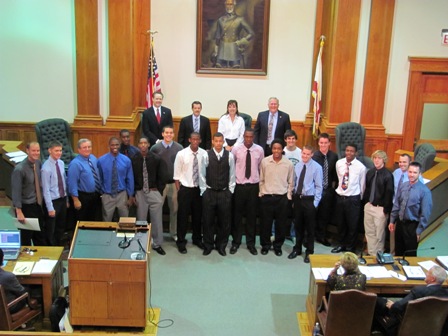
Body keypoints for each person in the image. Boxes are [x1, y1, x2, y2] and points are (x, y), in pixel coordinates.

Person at [375, 265, 448, 335]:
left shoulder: (418, 291)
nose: (426, 273)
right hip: (435, 328)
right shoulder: (446, 295)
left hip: (410, 326)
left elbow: (398, 307)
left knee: (377, 301)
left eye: (428, 272)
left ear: (432, 279)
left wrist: (392, 305)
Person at [199, 132, 236, 256]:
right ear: (213, 142)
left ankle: (221, 245)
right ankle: (208, 245)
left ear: (223, 141)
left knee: (224, 221)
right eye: (216, 141)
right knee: (208, 220)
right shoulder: (206, 155)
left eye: (221, 141)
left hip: (224, 193)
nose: (218, 143)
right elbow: (202, 174)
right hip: (209, 192)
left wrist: (230, 191)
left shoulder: (229, 156)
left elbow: (232, 175)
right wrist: (204, 191)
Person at [230, 128, 264, 255]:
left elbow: (261, 168)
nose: (249, 139)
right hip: (239, 186)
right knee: (237, 216)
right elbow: (232, 167)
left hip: (253, 187)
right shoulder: (236, 149)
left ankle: (251, 243)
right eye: (246, 137)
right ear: (243, 137)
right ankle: (236, 242)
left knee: (251, 216)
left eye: (251, 137)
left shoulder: (259, 150)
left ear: (253, 137)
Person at [388, 161, 432, 257]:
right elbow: (397, 204)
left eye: (415, 172)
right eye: (410, 172)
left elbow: (425, 214)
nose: (411, 175)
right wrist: (392, 220)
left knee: (409, 255)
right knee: (398, 252)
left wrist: (419, 231)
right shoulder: (403, 186)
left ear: (419, 174)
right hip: (400, 224)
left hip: (412, 227)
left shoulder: (424, 191)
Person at [259, 139, 294, 256]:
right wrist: (261, 192)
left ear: (282, 149)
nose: (276, 151)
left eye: (279, 148)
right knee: (265, 224)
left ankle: (278, 246)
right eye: (274, 148)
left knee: (280, 224)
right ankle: (265, 245)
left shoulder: (288, 164)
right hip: (267, 196)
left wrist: (288, 195)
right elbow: (261, 179)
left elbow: (291, 181)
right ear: (271, 149)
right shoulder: (265, 162)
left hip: (281, 198)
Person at [173, 132, 207, 254]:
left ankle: (197, 239)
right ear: (189, 140)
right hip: (185, 189)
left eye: (197, 139)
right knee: (183, 216)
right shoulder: (181, 154)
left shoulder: (204, 154)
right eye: (193, 139)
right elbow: (176, 176)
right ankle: (181, 241)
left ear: (200, 140)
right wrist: (179, 190)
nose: (195, 141)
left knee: (198, 216)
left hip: (199, 189)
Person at [288, 145, 323, 263]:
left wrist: (315, 203)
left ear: (312, 154)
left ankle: (309, 251)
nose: (305, 156)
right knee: (298, 225)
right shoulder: (298, 165)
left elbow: (319, 187)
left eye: (308, 154)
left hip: (309, 200)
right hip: (298, 199)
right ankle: (297, 248)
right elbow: (295, 182)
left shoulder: (317, 168)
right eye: (303, 153)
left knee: (310, 228)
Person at [132, 137, 166, 255]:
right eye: (140, 143)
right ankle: (141, 243)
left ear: (148, 145)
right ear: (138, 145)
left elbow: (162, 176)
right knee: (141, 219)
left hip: (153, 191)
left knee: (156, 220)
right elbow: (131, 177)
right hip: (140, 192)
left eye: (145, 143)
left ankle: (157, 244)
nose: (143, 145)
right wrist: (133, 194)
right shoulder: (133, 159)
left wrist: (159, 191)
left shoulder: (156, 158)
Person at [331, 144, 366, 254]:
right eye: (347, 150)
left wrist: (357, 199)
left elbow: (362, 186)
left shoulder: (361, 167)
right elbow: (339, 179)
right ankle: (341, 244)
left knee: (352, 225)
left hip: (353, 199)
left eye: (352, 151)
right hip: (340, 197)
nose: (349, 153)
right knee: (341, 224)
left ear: (356, 153)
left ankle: (350, 248)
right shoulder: (339, 163)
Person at [150, 126, 183, 241]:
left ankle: (173, 233)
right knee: (157, 210)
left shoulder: (179, 148)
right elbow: (151, 166)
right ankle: (156, 235)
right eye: (166, 133)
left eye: (171, 133)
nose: (168, 135)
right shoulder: (155, 148)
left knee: (174, 209)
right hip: (160, 185)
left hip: (174, 184)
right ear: (162, 134)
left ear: (173, 135)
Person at [11, 142, 46, 246]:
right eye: (33, 150)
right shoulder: (19, 169)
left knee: (40, 237)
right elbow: (16, 191)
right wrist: (19, 211)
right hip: (26, 207)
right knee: (26, 239)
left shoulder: (38, 163)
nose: (36, 153)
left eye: (38, 150)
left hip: (37, 206)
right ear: (27, 151)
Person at [390, 153, 423, 254]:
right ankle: (393, 253)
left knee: (409, 249)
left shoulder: (421, 186)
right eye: (400, 162)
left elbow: (424, 211)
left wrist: (419, 230)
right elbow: (395, 196)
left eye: (404, 162)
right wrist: (392, 218)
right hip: (398, 213)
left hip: (411, 220)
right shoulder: (396, 173)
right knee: (397, 242)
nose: (401, 164)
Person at [363, 150, 394, 256]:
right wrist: (366, 203)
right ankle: (371, 254)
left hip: (380, 209)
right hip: (369, 206)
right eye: (375, 158)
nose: (376, 160)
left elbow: (389, 194)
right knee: (369, 232)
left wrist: (385, 210)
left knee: (379, 235)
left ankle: (378, 255)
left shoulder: (388, 175)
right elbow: (367, 189)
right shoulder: (370, 172)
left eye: (379, 158)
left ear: (384, 160)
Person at [97, 137, 134, 222]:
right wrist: (102, 192)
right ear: (109, 146)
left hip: (122, 194)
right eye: (112, 145)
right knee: (106, 221)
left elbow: (130, 179)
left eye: (117, 144)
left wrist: (130, 195)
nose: (115, 147)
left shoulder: (126, 160)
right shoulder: (101, 160)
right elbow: (99, 177)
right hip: (107, 195)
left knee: (125, 220)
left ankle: (125, 235)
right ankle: (106, 236)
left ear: (119, 145)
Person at [212, 0, 255, 69]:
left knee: (235, 72)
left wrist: (241, 42)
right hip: (222, 50)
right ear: (225, 5)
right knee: (219, 72)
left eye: (231, 4)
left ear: (234, 5)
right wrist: (216, 51)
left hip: (234, 50)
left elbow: (251, 33)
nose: (229, 6)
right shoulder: (220, 20)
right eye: (227, 4)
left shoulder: (240, 19)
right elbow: (217, 37)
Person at [312, 133, 338, 246]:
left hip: (328, 190)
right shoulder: (314, 156)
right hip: (315, 190)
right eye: (321, 143)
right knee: (312, 214)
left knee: (324, 215)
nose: (323, 145)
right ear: (318, 143)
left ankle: (321, 236)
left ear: (329, 144)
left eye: (325, 143)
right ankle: (310, 236)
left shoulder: (334, 156)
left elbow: (335, 174)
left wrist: (332, 188)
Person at [41, 141, 68, 246]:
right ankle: (51, 247)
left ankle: (59, 245)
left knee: (61, 225)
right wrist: (50, 208)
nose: (59, 153)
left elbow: (64, 183)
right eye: (56, 150)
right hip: (53, 201)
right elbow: (46, 190)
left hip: (62, 198)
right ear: (50, 151)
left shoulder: (61, 163)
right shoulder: (46, 168)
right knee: (51, 227)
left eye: (60, 150)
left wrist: (66, 200)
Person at [67, 139, 102, 221]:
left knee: (95, 220)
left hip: (96, 195)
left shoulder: (93, 158)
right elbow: (72, 183)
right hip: (83, 197)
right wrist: (75, 200)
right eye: (84, 147)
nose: (87, 149)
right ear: (79, 150)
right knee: (83, 221)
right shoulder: (75, 164)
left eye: (89, 147)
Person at [283, 129, 302, 240]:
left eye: (293, 138)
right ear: (285, 140)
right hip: (283, 185)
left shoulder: (300, 152)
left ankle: (293, 233)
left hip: (296, 186)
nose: (291, 141)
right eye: (289, 139)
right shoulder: (282, 151)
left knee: (296, 212)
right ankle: (276, 233)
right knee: (281, 211)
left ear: (296, 140)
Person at [0, 248, 27, 313]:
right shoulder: (8, 276)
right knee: (28, 290)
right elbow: (21, 292)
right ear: (3, 259)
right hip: (8, 308)